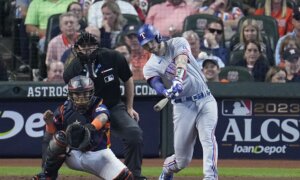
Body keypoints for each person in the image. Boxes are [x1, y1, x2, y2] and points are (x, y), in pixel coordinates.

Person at [138, 24, 218, 180]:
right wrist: (164, 91)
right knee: (182, 161)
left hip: (205, 98)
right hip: (182, 106)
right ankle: (167, 169)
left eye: (150, 42)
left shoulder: (178, 42)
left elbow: (181, 60)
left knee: (208, 138)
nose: (149, 46)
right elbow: (155, 83)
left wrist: (178, 79)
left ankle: (210, 177)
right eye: (145, 45)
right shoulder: (149, 66)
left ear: (157, 36)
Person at [63, 32, 145, 180]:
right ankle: (48, 174)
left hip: (113, 106)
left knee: (134, 134)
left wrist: (129, 107)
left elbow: (128, 79)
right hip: (87, 112)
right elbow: (72, 95)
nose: (88, 49)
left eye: (91, 45)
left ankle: (135, 176)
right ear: (77, 48)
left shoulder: (113, 57)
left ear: (97, 46)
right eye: (84, 46)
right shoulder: (72, 70)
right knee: (67, 140)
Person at [32, 75, 133, 180]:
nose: (81, 97)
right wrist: (49, 123)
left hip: (99, 156)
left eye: (85, 93)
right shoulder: (64, 109)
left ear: (91, 93)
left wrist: (91, 127)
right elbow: (51, 135)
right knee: (58, 138)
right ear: (71, 94)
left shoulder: (98, 104)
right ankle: (48, 176)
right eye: (77, 94)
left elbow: (103, 117)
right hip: (73, 155)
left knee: (127, 178)